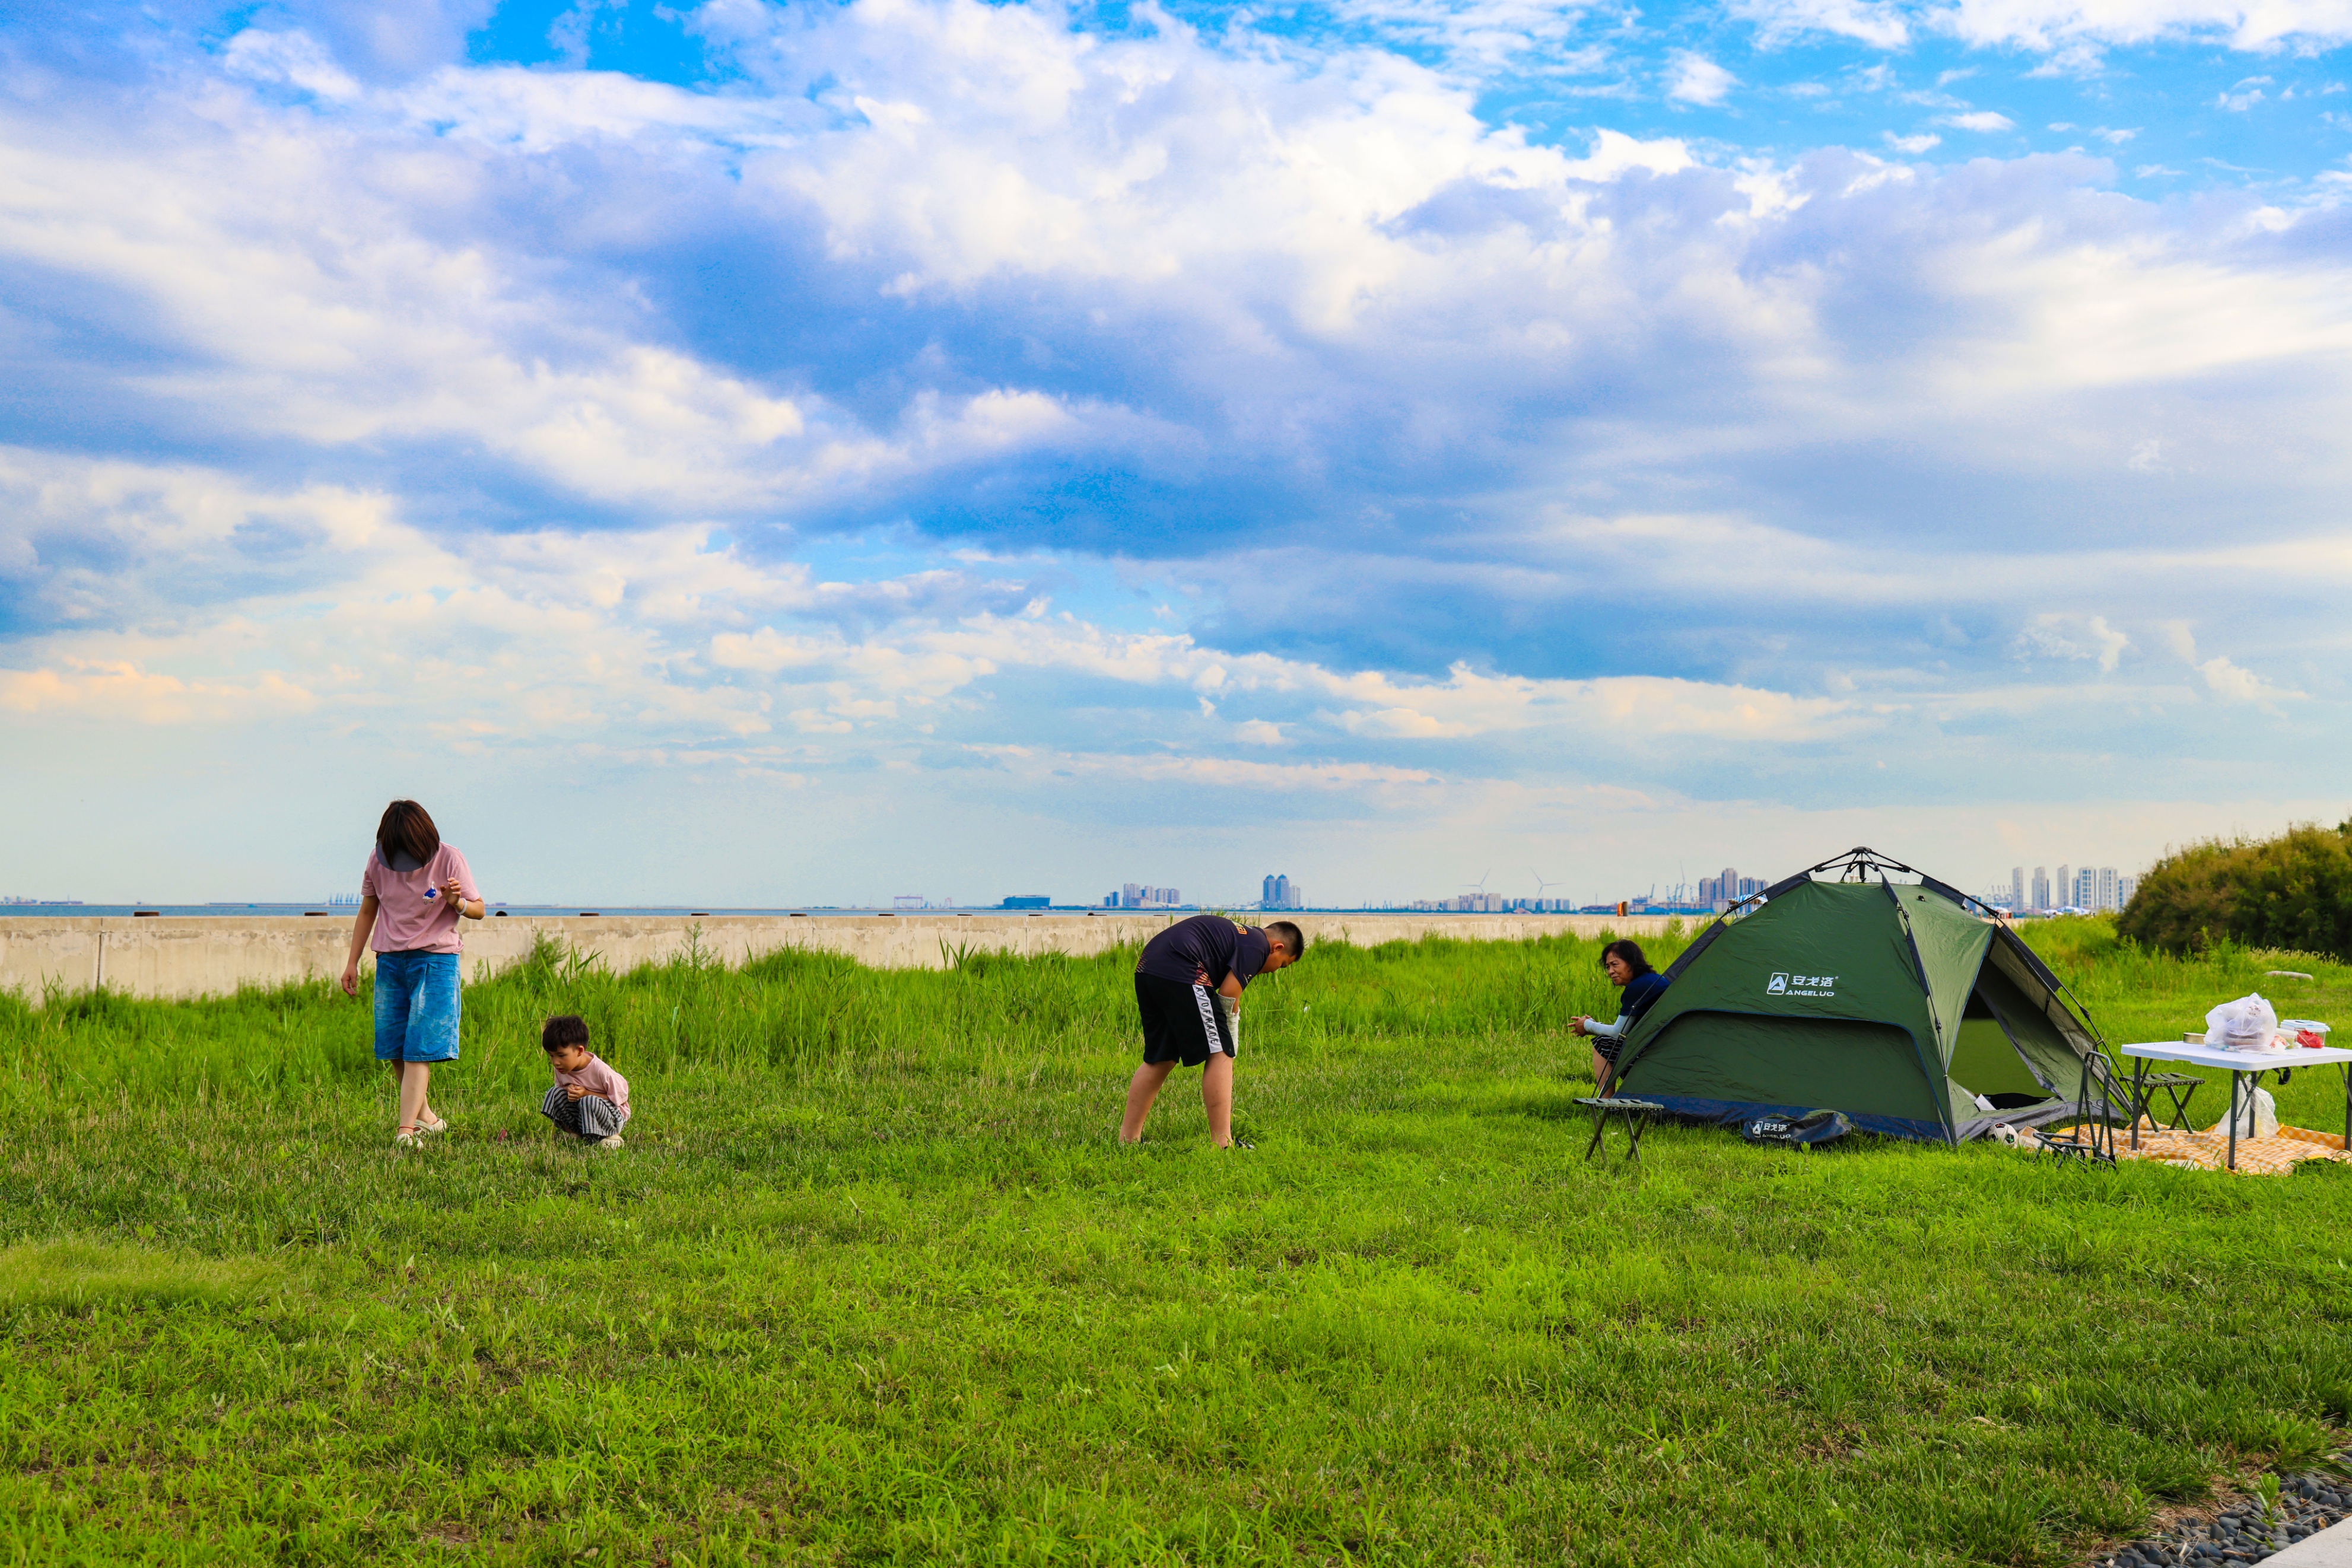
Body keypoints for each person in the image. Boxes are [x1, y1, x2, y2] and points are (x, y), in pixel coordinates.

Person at [339, 800, 483, 1147]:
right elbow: (368, 911)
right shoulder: (378, 859)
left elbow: (479, 910)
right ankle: (427, 1118)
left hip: (435, 961)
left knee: (419, 1048)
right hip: (390, 962)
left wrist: (456, 902)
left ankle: (407, 1131)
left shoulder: (449, 858)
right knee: (395, 1046)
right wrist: (352, 961)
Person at [1121, 915, 1304, 1148]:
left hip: (1148, 969)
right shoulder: (1259, 944)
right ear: (1278, 948)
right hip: (1183, 969)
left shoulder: (1243, 936)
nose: (1276, 971)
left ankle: (1128, 1140)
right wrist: (1230, 1038)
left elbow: (1230, 995)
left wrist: (1228, 1023)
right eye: (1282, 964)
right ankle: (1223, 1144)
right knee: (1221, 1052)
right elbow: (1228, 994)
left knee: (1161, 1057)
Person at [1571, 939, 1668, 1090]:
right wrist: (1594, 1025)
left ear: (1632, 963)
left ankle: (1605, 1101)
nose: (1610, 972)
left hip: (1655, 1059)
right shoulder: (1655, 980)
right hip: (1667, 1053)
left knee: (1602, 1043)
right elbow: (1627, 1031)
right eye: (1608, 967)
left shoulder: (1637, 987)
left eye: (1615, 964)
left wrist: (1587, 1025)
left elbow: (1618, 1033)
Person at [539, 1015, 630, 1149]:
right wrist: (570, 1091)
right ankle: (575, 1134)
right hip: (583, 1113)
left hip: (612, 1116)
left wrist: (586, 1093)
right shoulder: (561, 1068)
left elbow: (620, 1099)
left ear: (580, 1051)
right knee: (554, 1094)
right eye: (551, 1056)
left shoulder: (600, 1070)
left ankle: (611, 1136)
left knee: (589, 1101)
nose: (556, 1062)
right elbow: (562, 1096)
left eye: (561, 1055)